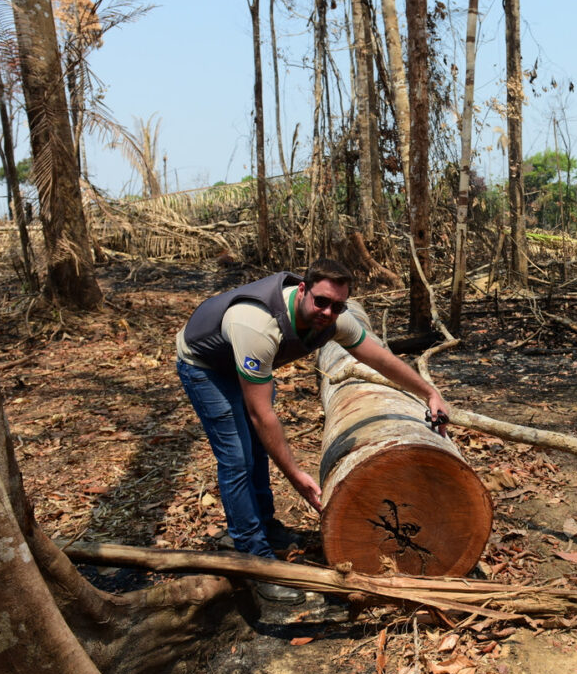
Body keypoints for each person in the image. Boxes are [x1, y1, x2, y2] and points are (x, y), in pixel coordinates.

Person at [176, 258, 449, 602]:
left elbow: (379, 358)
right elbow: (263, 417)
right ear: (302, 290)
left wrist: (428, 392)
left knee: (256, 451)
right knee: (238, 457)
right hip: (205, 364)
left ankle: (266, 527)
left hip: (247, 360)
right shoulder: (259, 325)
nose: (327, 312)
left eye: (337, 306)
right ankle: (253, 558)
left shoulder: (334, 319)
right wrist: (295, 475)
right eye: (320, 301)